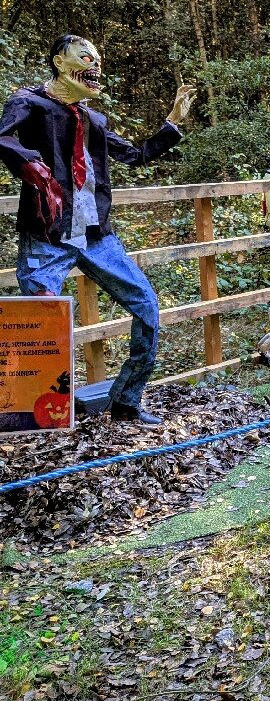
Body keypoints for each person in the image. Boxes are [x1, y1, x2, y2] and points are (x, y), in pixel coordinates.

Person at [0, 34, 196, 425]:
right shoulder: (28, 103)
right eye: (86, 57)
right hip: (48, 237)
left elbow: (136, 155)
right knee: (40, 324)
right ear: (60, 62)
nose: (96, 64)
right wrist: (32, 166)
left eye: (98, 59)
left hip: (96, 237)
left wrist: (172, 121)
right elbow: (1, 137)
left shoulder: (93, 119)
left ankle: (126, 401)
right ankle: (34, 414)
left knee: (147, 306)